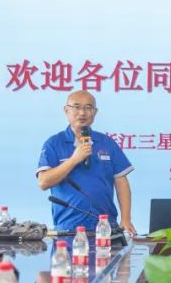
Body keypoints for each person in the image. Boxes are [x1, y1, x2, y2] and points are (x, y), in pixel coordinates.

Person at [37, 91, 136, 236]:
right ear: (66, 110)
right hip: (68, 227)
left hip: (105, 226)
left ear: (95, 112)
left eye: (88, 107)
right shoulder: (54, 143)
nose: (82, 113)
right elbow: (43, 182)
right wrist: (74, 159)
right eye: (76, 107)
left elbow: (121, 181)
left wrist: (126, 219)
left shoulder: (106, 143)